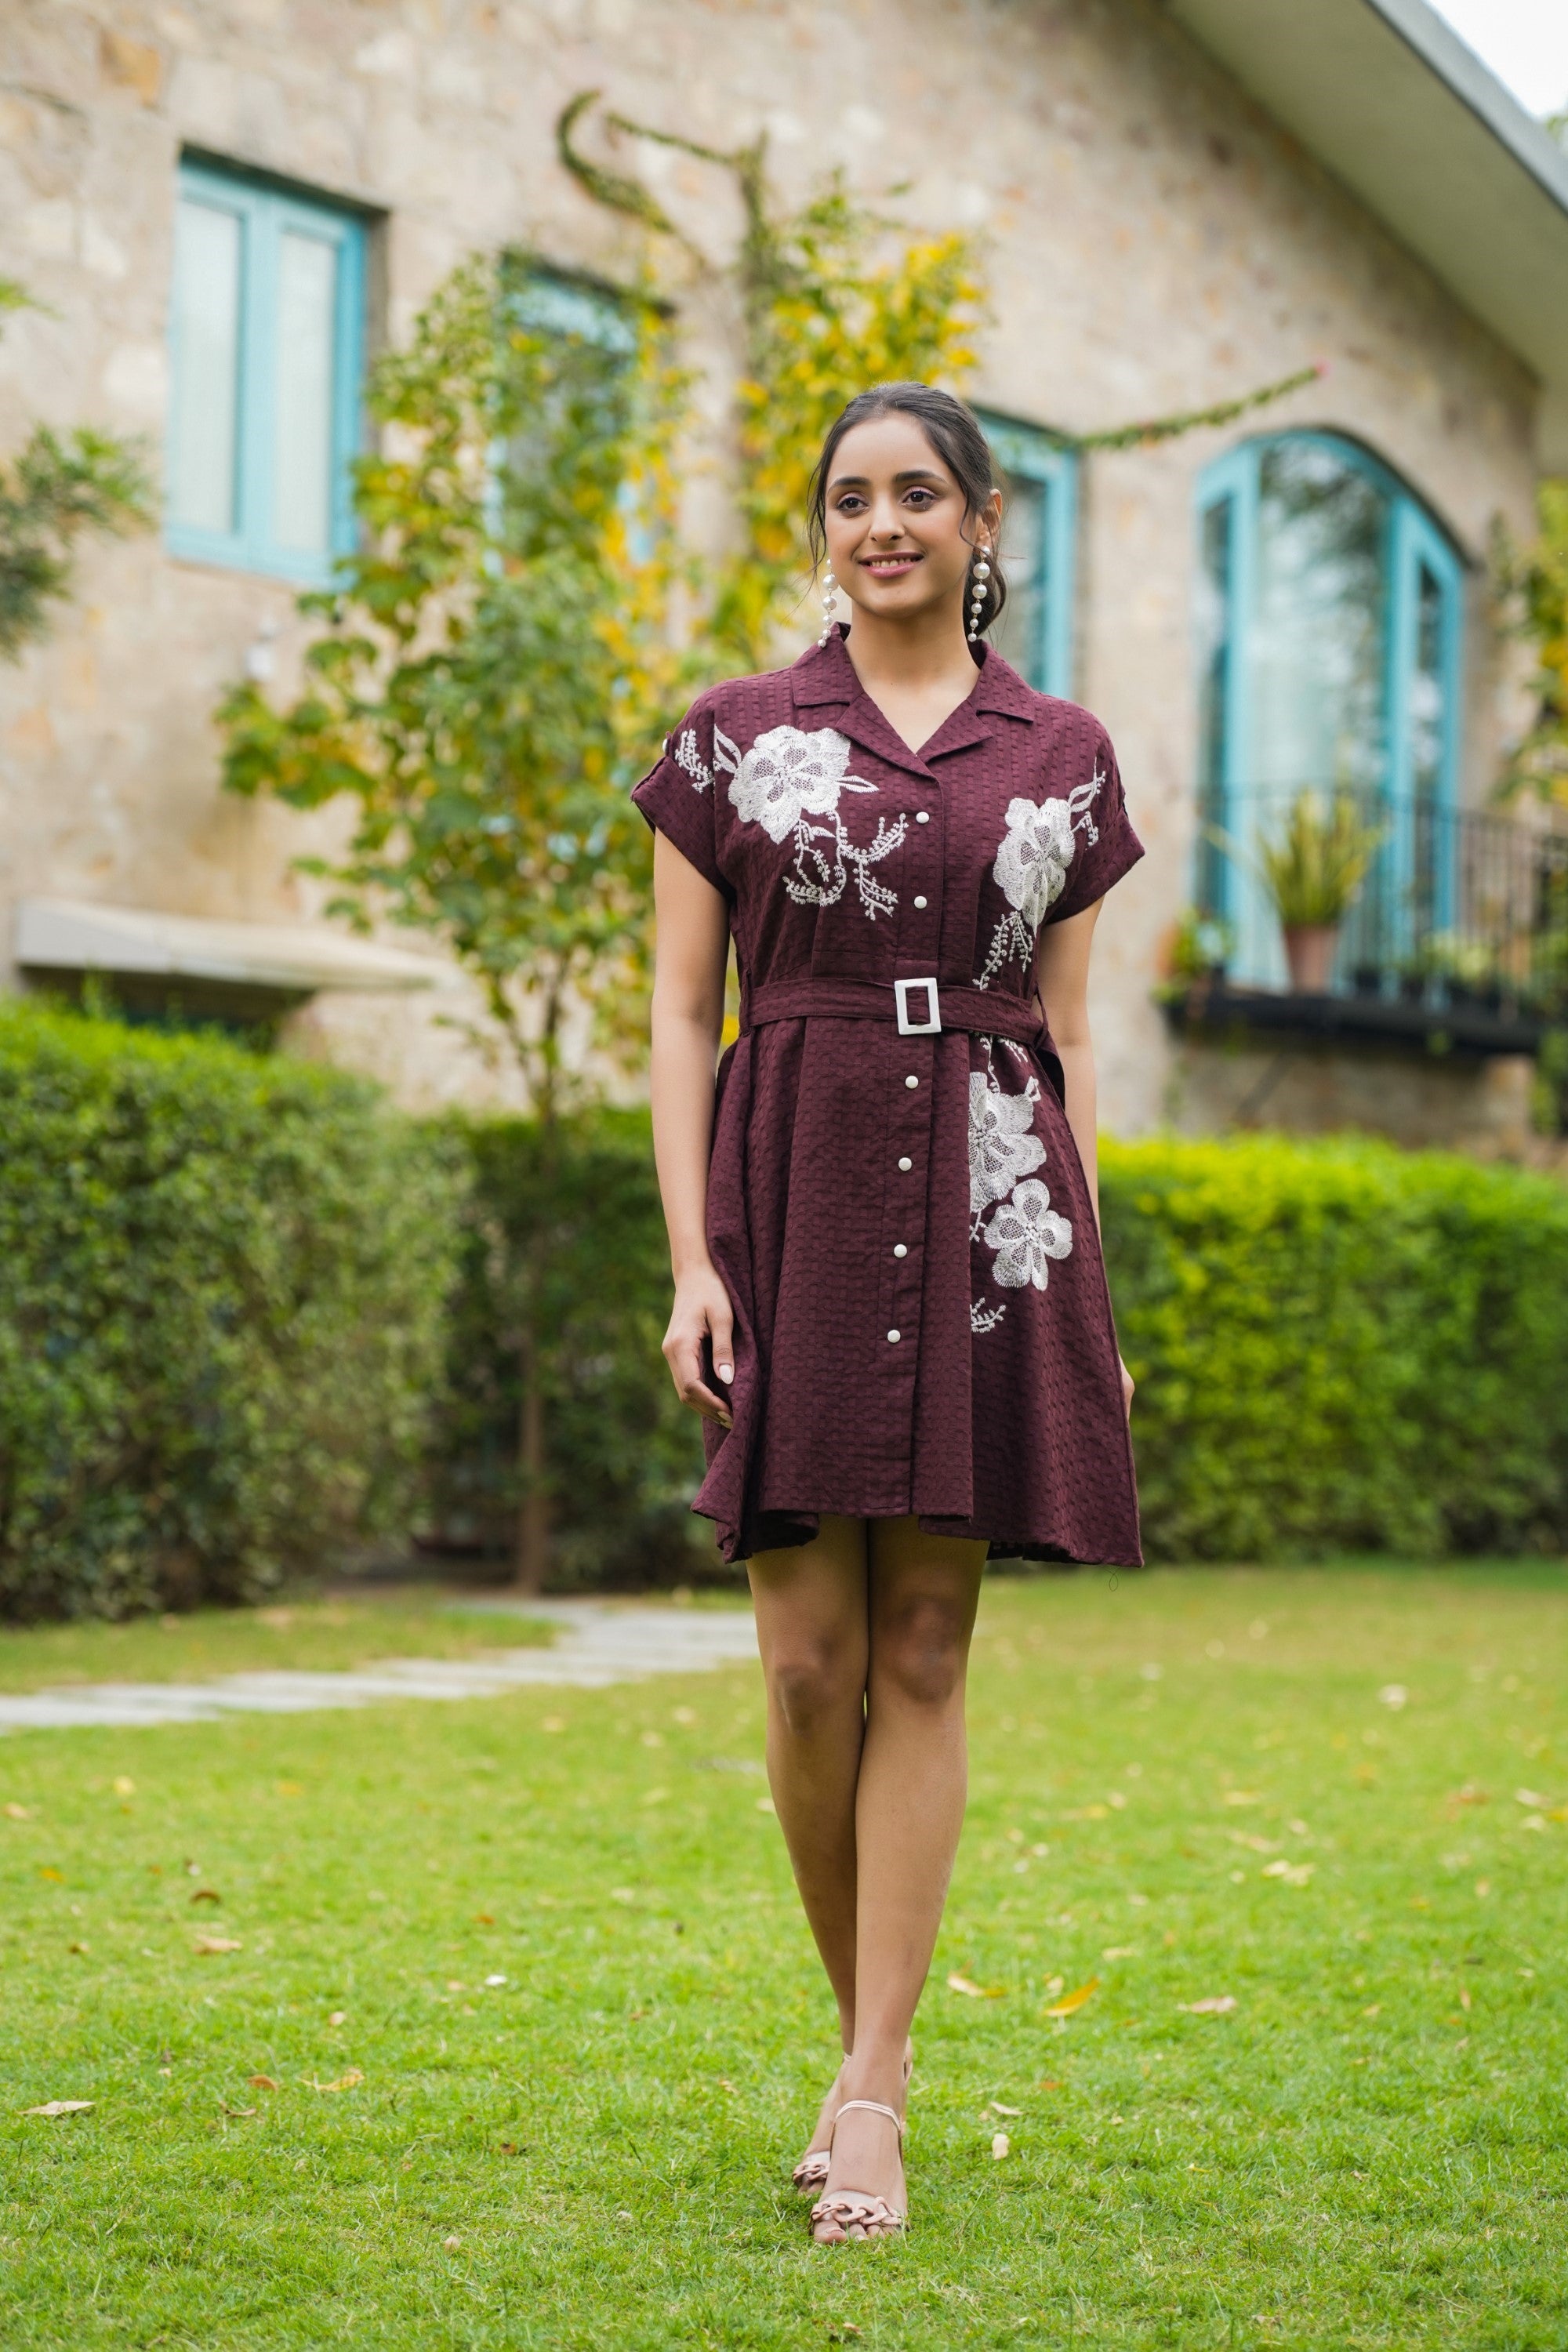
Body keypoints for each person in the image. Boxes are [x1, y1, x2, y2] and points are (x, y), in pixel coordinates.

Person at [632, 381, 1143, 2245]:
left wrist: (1088, 1262)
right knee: (802, 1665)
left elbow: (1074, 1036)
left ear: (982, 520)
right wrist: (693, 1261)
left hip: (998, 1199)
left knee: (924, 1649)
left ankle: (873, 2089)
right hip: (794, 1180)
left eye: (917, 492)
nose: (881, 524)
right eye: (850, 497)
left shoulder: (1063, 752)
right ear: (822, 530)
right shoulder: (734, 737)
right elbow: (684, 1015)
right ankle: (864, 2057)